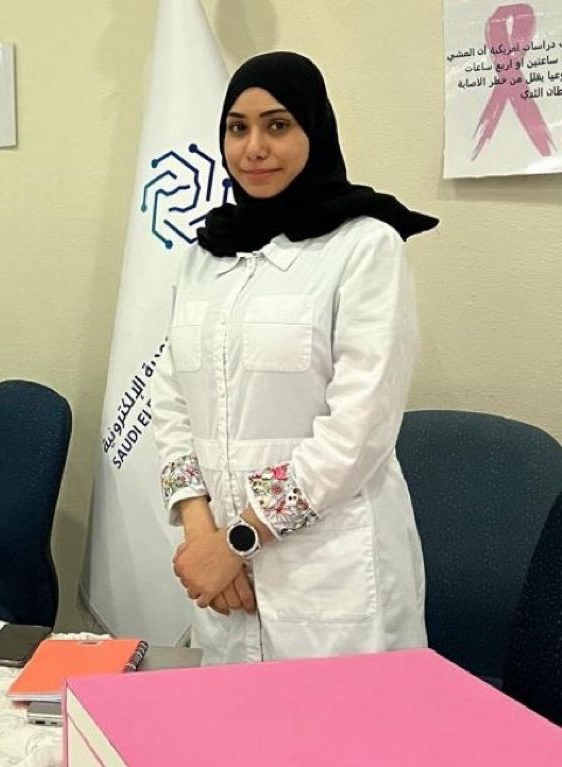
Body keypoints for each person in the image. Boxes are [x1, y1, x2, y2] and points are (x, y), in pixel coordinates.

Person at [153, 52, 439, 664]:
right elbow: (171, 401)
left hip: (331, 578)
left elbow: (358, 431)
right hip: (223, 581)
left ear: (315, 130)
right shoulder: (203, 256)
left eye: (277, 125)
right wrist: (202, 534)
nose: (254, 147)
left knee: (344, 726)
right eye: (237, 128)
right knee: (233, 723)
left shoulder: (364, 247)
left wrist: (240, 538)